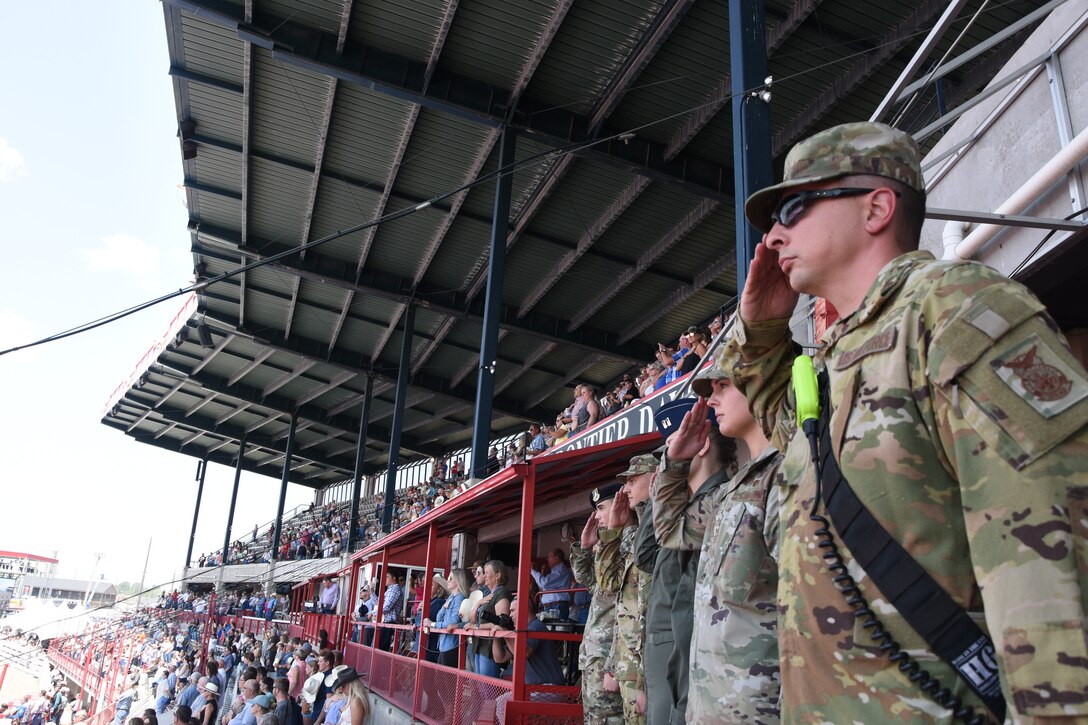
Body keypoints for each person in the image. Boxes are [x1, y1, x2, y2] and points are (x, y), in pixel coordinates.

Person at [723, 121, 1088, 722]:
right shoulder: (838, 356)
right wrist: (761, 330)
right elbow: (787, 429)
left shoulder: (954, 307)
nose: (774, 233)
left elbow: (1047, 559)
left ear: (877, 208)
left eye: (794, 206)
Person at [656, 365, 783, 724]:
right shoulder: (733, 491)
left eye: (723, 386)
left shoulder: (787, 475)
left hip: (759, 710)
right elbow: (670, 531)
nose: (712, 399)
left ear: (759, 385)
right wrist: (675, 462)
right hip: (711, 707)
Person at [599, 456, 656, 724]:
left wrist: (647, 681)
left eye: (633, 480)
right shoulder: (635, 533)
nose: (627, 489)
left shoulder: (658, 529)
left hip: (644, 669)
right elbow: (610, 586)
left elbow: (651, 611)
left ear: (655, 477)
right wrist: (613, 530)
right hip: (627, 665)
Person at [571, 483, 624, 725]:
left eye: (601, 508)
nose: (597, 516)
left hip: (612, 662)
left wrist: (614, 667)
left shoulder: (625, 546)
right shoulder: (608, 547)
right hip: (595, 660)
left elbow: (632, 613)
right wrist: (584, 548)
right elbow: (589, 581)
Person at [466, 560, 512, 678]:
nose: (484, 576)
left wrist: (476, 626)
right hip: (480, 644)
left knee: (488, 690)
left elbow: (501, 623)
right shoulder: (489, 595)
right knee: (481, 687)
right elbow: (471, 620)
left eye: (487, 572)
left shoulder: (501, 593)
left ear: (498, 575)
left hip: (490, 648)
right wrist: (477, 605)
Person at [431, 571, 468, 668]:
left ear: (458, 581)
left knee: (447, 680)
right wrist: (444, 606)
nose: (447, 581)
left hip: (451, 644)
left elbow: (453, 622)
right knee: (442, 679)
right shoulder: (451, 597)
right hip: (444, 643)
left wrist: (433, 624)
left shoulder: (460, 598)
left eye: (450, 578)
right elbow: (438, 617)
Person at [530, 549, 573, 620]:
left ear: (556, 558)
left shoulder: (561, 571)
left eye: (549, 557)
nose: (547, 559)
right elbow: (543, 585)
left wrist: (532, 571)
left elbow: (544, 583)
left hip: (556, 607)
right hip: (554, 606)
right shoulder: (557, 571)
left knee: (554, 629)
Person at [378, 572, 403, 652]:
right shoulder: (390, 590)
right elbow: (378, 604)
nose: (385, 579)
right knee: (380, 648)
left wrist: (373, 613)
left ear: (394, 578)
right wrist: (371, 592)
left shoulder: (394, 589)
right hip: (386, 623)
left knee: (382, 649)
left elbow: (387, 607)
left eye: (387, 577)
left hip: (390, 623)